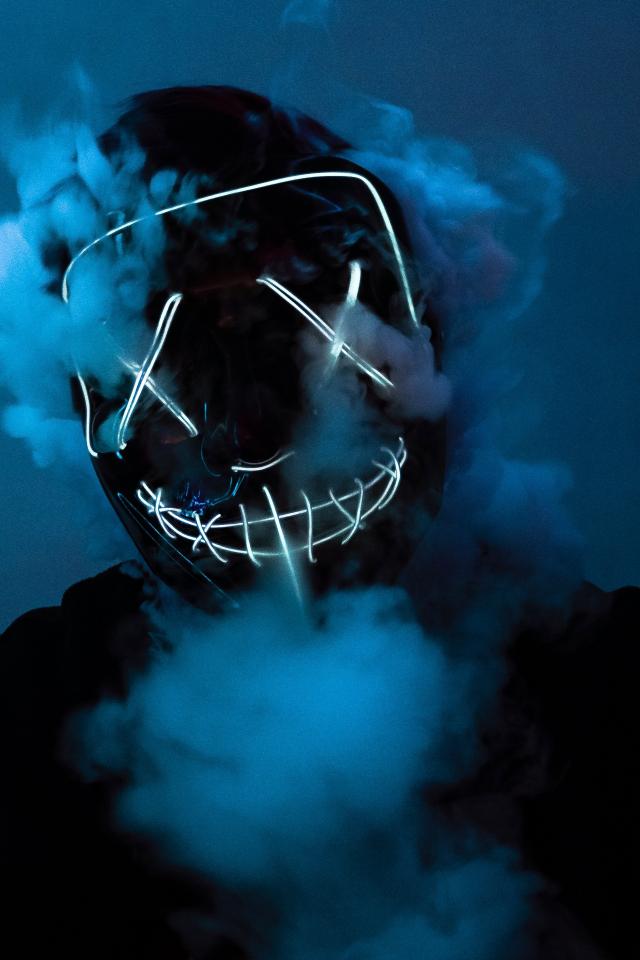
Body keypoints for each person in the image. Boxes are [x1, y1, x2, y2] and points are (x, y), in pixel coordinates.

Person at [0, 86, 635, 960]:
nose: (248, 436)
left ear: (428, 338)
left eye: (296, 337)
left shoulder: (610, 689)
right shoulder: (26, 723)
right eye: (172, 361)